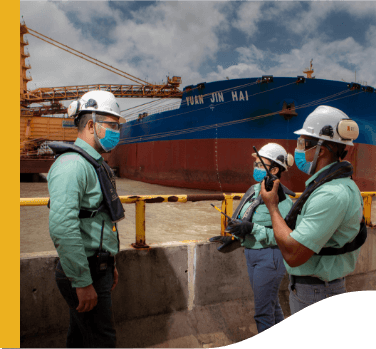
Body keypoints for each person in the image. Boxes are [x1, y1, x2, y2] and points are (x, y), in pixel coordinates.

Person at [259, 105, 367, 315]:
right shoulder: (340, 184)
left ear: (321, 149)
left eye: (303, 144)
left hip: (316, 292)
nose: (299, 150)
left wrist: (272, 206)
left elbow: (294, 254)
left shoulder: (330, 194)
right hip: (318, 288)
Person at [47, 90, 125, 348]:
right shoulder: (72, 165)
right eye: (112, 125)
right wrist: (82, 281)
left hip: (97, 267)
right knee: (102, 341)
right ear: (91, 125)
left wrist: (109, 261)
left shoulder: (93, 163)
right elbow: (62, 226)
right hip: (84, 271)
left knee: (81, 338)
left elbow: (98, 217)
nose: (117, 132)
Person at [210, 143, 295, 334]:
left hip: (270, 257)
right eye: (255, 164)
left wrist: (252, 228)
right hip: (252, 254)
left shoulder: (283, 201)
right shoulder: (255, 190)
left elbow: (286, 237)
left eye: (259, 165)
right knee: (272, 307)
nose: (255, 168)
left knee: (263, 314)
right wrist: (233, 237)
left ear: (274, 169)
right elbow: (244, 218)